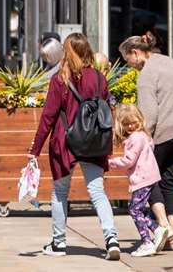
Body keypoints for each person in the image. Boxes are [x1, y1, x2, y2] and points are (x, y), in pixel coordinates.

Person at [28, 33, 120, 260]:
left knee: (60, 193)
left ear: (67, 53)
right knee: (98, 192)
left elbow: (48, 117)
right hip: (94, 141)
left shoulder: (60, 80)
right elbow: (107, 110)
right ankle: (112, 239)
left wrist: (35, 149)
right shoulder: (99, 78)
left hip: (65, 141)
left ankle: (58, 243)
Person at [120, 33, 173, 252]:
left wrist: (141, 138)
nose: (130, 66)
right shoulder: (170, 62)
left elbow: (149, 115)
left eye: (128, 60)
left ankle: (163, 227)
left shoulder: (145, 76)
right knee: (169, 180)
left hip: (164, 133)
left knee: (148, 181)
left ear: (136, 53)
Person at [109, 104, 168, 257]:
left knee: (134, 210)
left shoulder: (135, 138)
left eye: (133, 122)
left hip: (143, 178)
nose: (130, 126)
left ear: (140, 119)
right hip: (148, 176)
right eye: (127, 124)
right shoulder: (143, 135)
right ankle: (156, 229)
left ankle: (147, 241)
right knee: (138, 209)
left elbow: (129, 160)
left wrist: (110, 162)